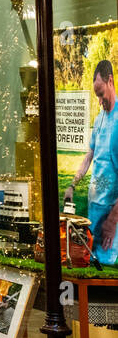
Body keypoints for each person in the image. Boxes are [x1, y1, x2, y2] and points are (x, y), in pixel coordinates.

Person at [65, 59, 118, 266]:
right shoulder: (99, 119)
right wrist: (73, 184)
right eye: (96, 96)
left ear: (111, 81)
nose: (99, 101)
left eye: (101, 94)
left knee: (108, 263)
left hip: (112, 213)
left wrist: (112, 221)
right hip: (94, 208)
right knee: (89, 258)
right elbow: (90, 155)